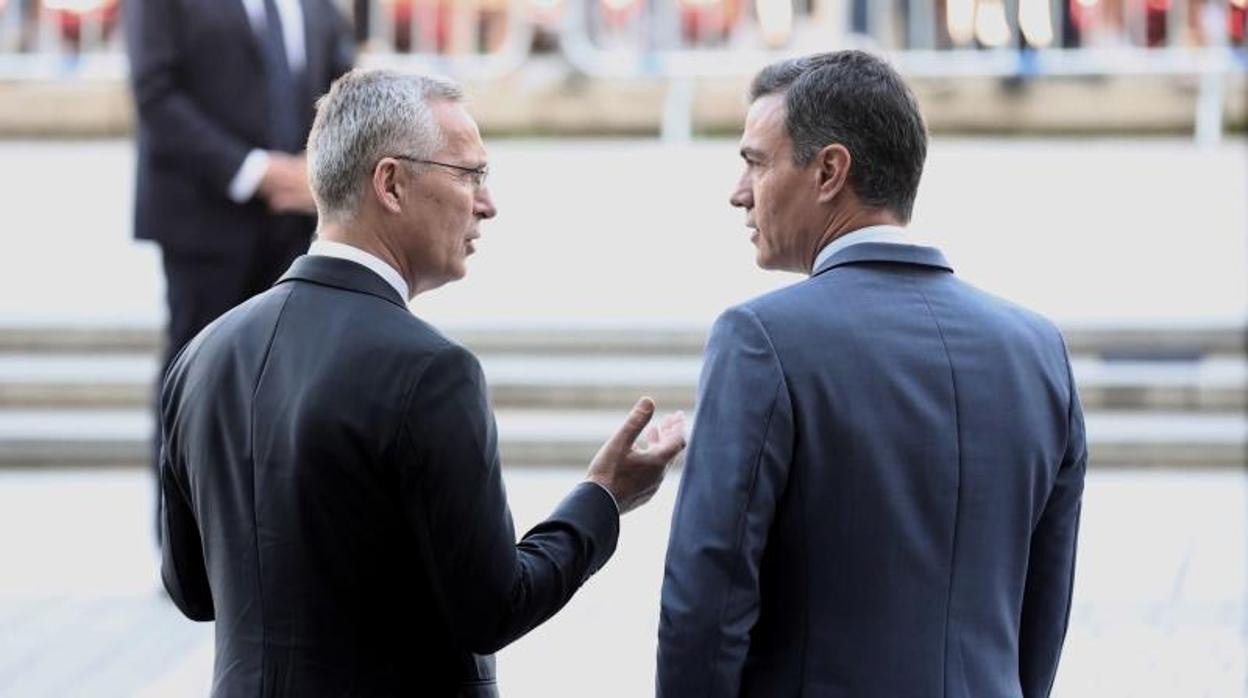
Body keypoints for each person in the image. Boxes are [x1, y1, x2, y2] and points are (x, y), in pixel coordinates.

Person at [157, 68, 686, 697]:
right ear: (391, 183)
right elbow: (493, 608)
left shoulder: (203, 355)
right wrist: (603, 497)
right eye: (471, 175)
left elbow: (191, 590)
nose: (487, 203)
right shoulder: (430, 370)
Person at [657, 50, 1086, 698]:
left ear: (829, 170)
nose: (739, 192)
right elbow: (1043, 610)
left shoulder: (761, 341)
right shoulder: (1037, 350)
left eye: (755, 162)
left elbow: (706, 607)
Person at [124, 0, 355, 537]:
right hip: (205, 217)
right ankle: (186, 542)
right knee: (197, 378)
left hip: (301, 219)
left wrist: (318, 171)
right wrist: (255, 172)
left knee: (292, 383)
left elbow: (345, 82)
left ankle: (279, 541)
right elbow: (155, 93)